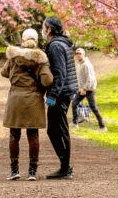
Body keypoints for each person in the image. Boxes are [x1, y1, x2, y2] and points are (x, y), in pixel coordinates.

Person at [1, 28, 54, 181]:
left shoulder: (13, 56)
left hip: (15, 98)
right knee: (33, 135)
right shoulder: (40, 59)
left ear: (23, 40)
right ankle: (32, 171)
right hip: (33, 99)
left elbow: (4, 73)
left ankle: (14, 170)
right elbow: (47, 80)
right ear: (36, 40)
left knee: (14, 135)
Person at [41, 16, 78, 179]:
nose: (42, 30)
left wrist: (51, 97)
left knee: (57, 129)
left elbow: (60, 74)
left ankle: (65, 168)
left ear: (49, 29)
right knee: (57, 129)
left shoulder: (55, 45)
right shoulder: (62, 43)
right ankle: (65, 166)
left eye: (44, 27)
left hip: (60, 93)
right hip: (65, 91)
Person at [71, 48, 106, 131]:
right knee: (74, 103)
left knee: (93, 107)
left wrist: (85, 88)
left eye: (79, 54)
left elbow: (91, 79)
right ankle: (75, 122)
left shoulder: (86, 64)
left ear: (83, 54)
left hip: (89, 89)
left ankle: (102, 126)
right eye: (76, 54)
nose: (78, 55)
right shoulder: (78, 64)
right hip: (82, 89)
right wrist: (80, 88)